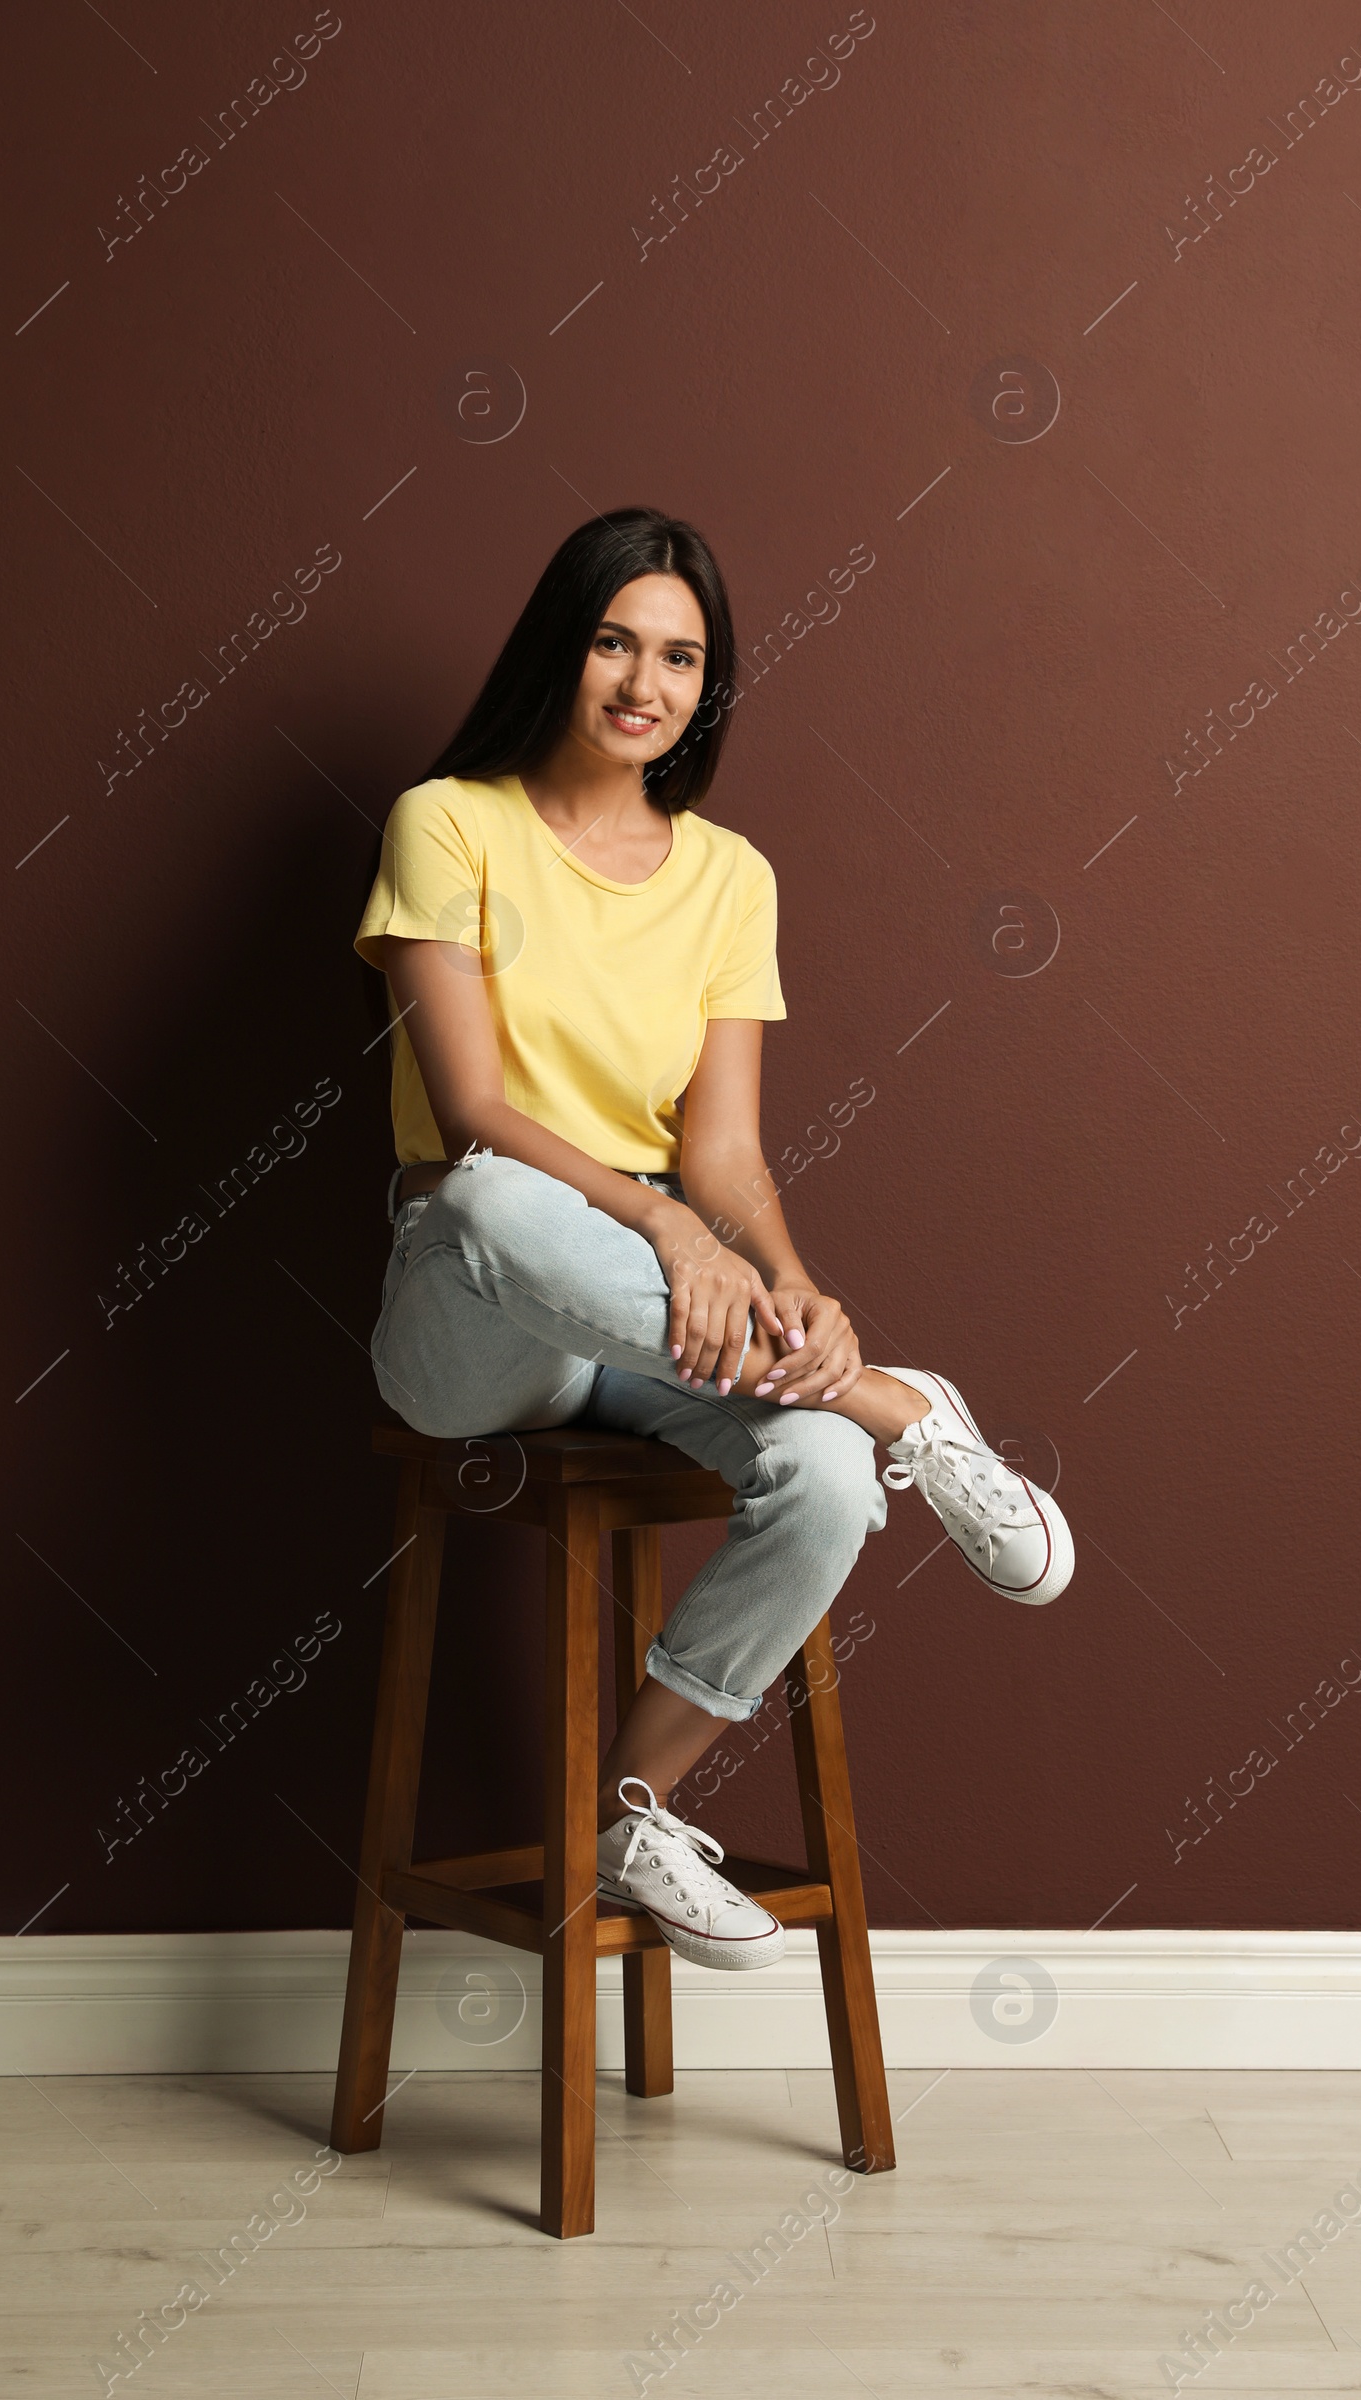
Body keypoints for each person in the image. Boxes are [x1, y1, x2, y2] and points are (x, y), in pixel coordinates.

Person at [353, 507, 1073, 1973]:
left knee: (818, 1476)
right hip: (475, 1301)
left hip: (641, 1301)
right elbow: (475, 1104)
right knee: (497, 1202)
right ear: (563, 643)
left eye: (682, 655)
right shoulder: (450, 821)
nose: (645, 681)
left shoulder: (730, 877)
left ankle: (636, 1811)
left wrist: (803, 1295)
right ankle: (908, 1420)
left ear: (708, 683)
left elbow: (728, 1151)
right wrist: (669, 1225)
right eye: (616, 639)